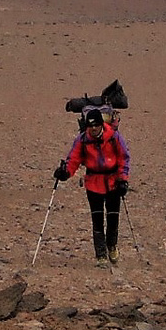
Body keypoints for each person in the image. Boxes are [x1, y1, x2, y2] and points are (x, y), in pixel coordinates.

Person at [55, 106, 132, 265]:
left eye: (96, 124)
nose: (94, 128)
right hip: (93, 183)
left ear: (102, 124)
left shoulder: (114, 137)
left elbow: (124, 158)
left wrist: (123, 179)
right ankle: (101, 254)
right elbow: (74, 160)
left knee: (112, 218)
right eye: (91, 125)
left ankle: (112, 245)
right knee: (97, 219)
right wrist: (65, 173)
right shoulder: (83, 139)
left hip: (113, 182)